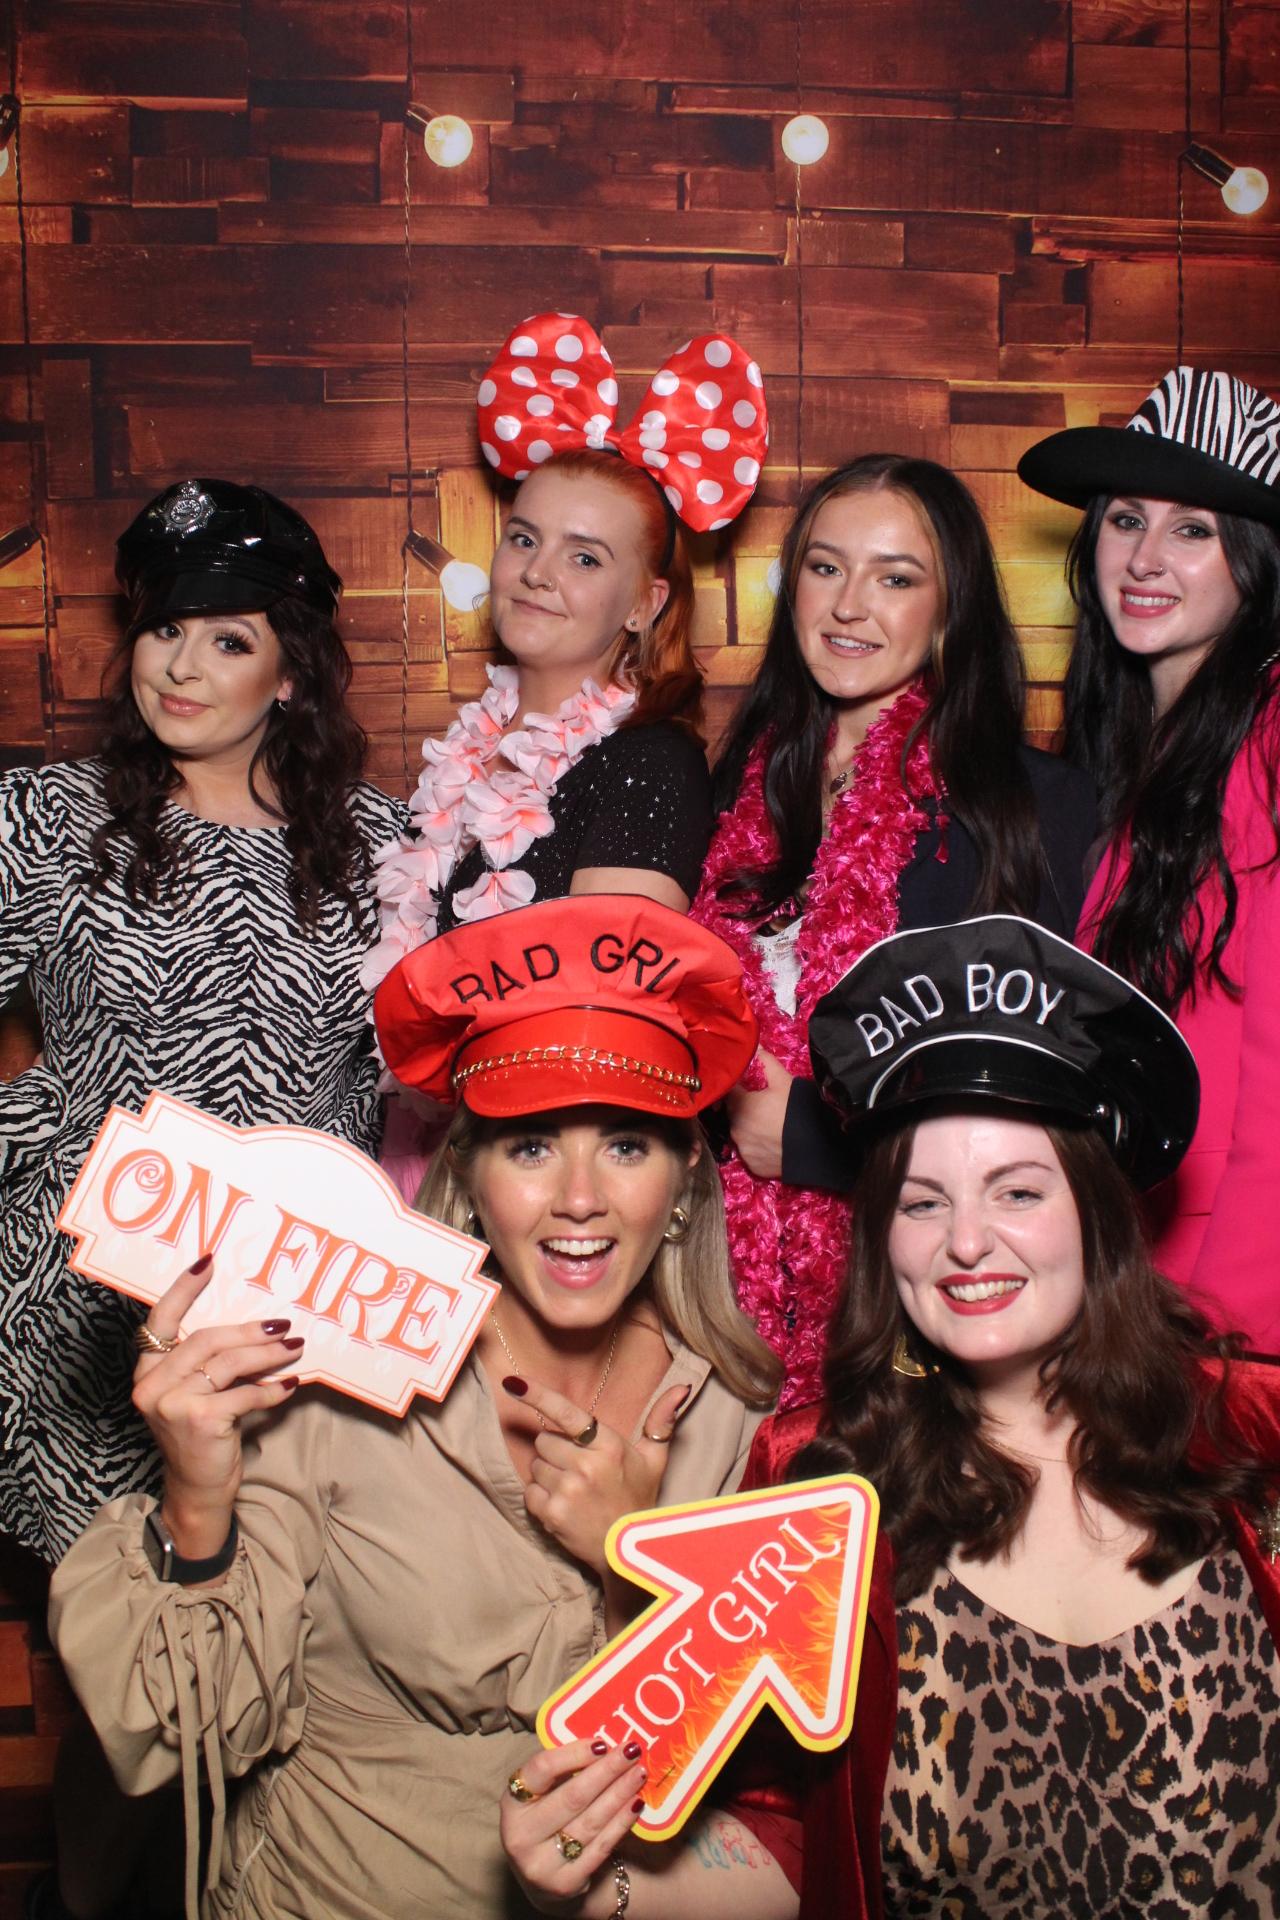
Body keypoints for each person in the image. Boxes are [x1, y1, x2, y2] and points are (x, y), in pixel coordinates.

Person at [499, 915, 1280, 1920]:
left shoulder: (1252, 1432)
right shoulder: (817, 1476)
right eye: (921, 1203)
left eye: (1016, 1192)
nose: (966, 1242)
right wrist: (588, 1879)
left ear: (1096, 1212)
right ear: (882, 1235)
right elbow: (787, 1832)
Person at [48, 896, 782, 1920]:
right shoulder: (341, 1385)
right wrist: (198, 1505)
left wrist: (634, 1564)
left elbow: (752, 1794)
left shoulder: (741, 1421)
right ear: (468, 1175)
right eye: (529, 1147)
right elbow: (182, 1736)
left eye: (625, 1146)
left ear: (685, 1180)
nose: (579, 1198)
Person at [0, 478, 407, 1567]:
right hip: (88, 1310)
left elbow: (426, 1078)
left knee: (290, 1617)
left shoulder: (386, 846)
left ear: (291, 675)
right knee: (125, 1618)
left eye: (228, 641)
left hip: (304, 1317)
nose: (180, 668)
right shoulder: (49, 819)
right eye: (163, 629)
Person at [690, 454, 1097, 1400]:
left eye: (896, 578)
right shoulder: (735, 789)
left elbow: (1053, 1107)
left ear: (952, 607)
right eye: (825, 567)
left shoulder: (1036, 809)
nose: (848, 606)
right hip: (716, 1297)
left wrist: (810, 1141)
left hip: (929, 1315)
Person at [363, 308, 769, 1197]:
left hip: (552, 1177)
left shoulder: (648, 762)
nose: (537, 572)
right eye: (525, 539)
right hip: (427, 1161)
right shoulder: (465, 757)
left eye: (585, 558)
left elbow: (607, 1024)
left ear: (644, 604)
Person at [1018, 366, 1280, 1354]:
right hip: (1130, 1272)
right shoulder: (1142, 755)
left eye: (1192, 530)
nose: (1143, 558)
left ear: (1255, 563)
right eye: (1126, 519)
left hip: (1219, 1294)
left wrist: (1228, 1336)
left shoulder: (1269, 735)